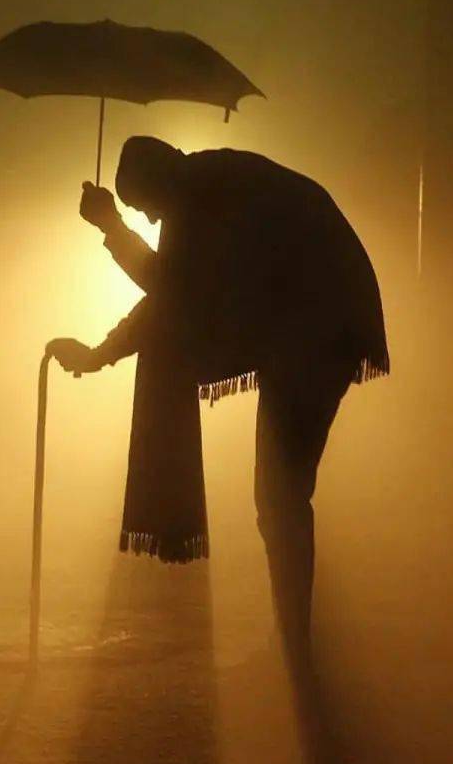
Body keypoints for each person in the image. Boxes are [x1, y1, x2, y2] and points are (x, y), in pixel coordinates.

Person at [47, 136, 389, 662]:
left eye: (146, 209)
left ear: (155, 184)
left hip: (318, 326)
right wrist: (101, 351)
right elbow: (175, 293)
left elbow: (169, 293)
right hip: (312, 322)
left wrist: (113, 231)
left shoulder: (198, 200)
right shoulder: (202, 186)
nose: (153, 222)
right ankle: (293, 635)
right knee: (280, 497)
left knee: (279, 496)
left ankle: (295, 642)